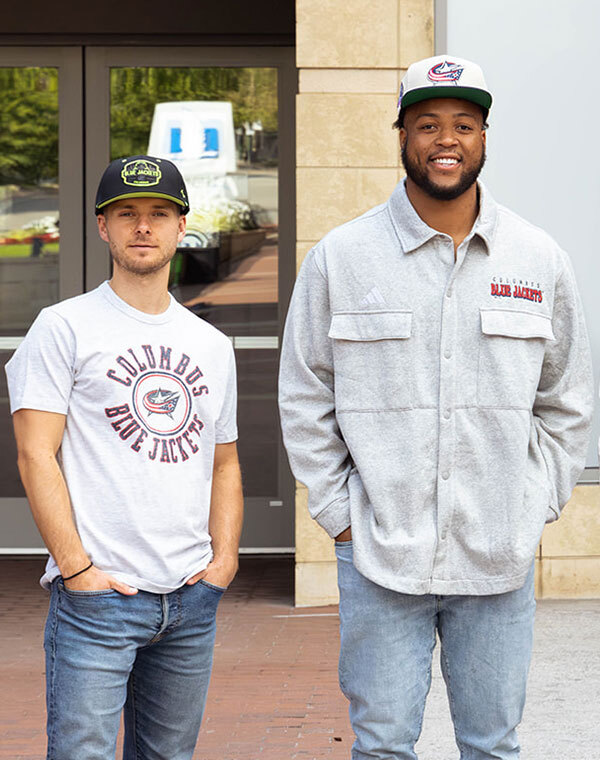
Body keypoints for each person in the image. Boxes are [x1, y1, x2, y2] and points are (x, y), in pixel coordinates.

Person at [278, 55, 593, 759]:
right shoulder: (342, 257)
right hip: (381, 557)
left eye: (463, 124)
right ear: (401, 135)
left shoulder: (538, 260)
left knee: (491, 745)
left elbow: (567, 400)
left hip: (498, 555)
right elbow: (305, 395)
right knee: (383, 745)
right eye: (426, 124)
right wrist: (340, 517)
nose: (445, 140)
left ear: (485, 137)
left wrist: (535, 499)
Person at [6, 155, 243, 760]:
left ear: (181, 226)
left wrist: (224, 562)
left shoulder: (211, 345)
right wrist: (78, 569)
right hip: (99, 601)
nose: (144, 226)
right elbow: (37, 454)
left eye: (159, 213)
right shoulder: (64, 327)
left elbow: (224, 463)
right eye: (127, 213)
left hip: (190, 600)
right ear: (102, 227)